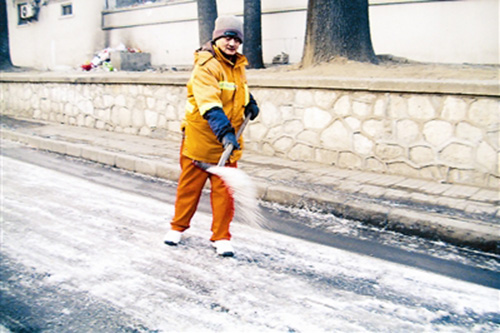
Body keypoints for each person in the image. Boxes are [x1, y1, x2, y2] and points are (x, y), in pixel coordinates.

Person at [163, 15, 260, 257]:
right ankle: (178, 228)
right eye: (228, 37)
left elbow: (238, 92)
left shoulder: (237, 64)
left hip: (228, 142)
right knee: (189, 189)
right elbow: (209, 103)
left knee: (225, 194)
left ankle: (221, 237)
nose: (232, 43)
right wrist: (225, 133)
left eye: (236, 39)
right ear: (217, 38)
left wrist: (250, 103)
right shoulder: (206, 66)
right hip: (201, 139)